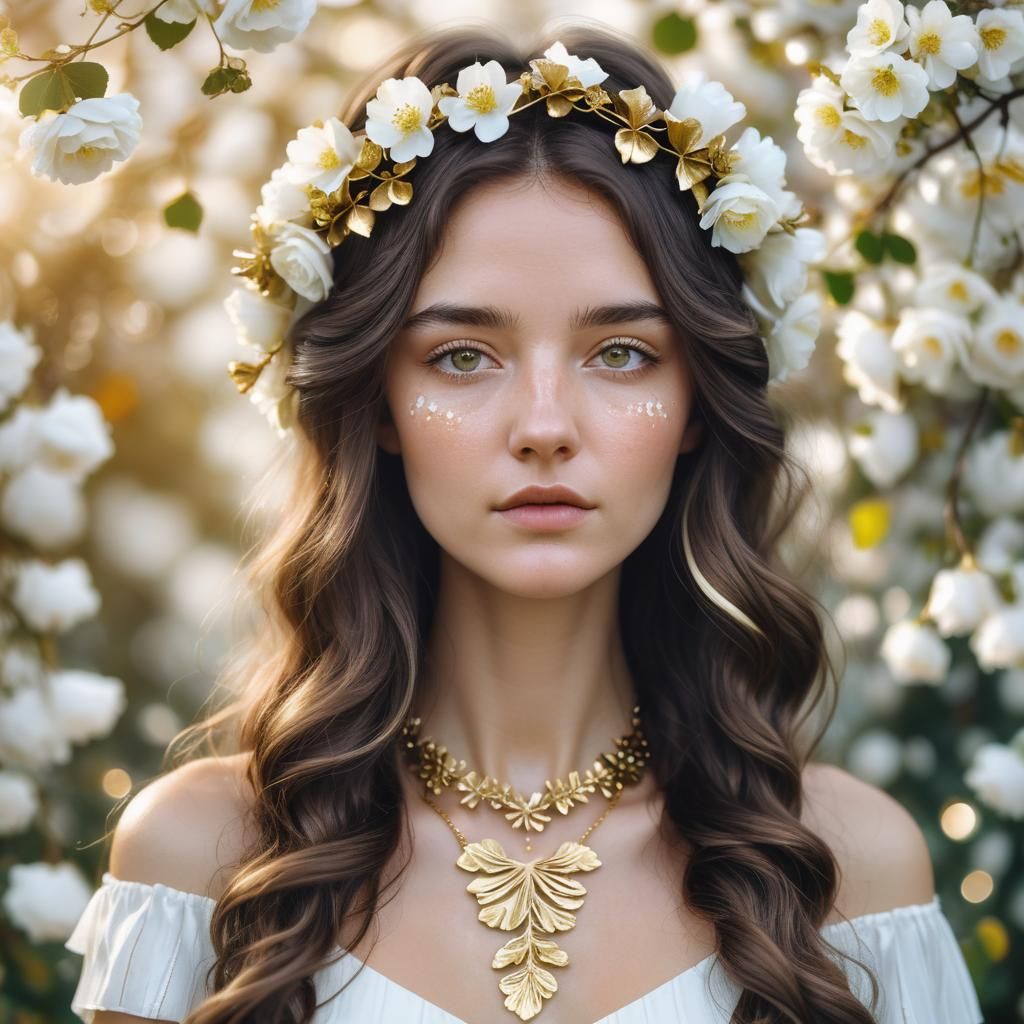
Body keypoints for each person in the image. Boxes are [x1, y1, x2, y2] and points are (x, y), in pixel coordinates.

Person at [63, 20, 984, 1024]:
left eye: (622, 352)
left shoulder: (849, 875)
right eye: (462, 356)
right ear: (376, 404)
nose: (544, 427)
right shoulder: (205, 860)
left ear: (694, 402)